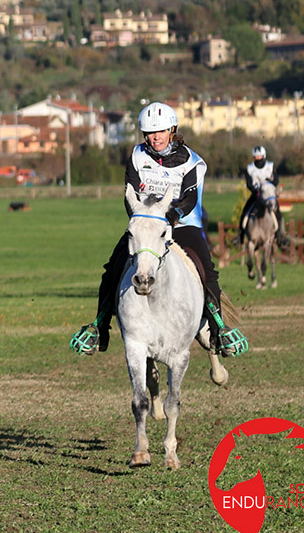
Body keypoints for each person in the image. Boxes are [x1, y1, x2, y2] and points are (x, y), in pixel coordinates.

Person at [69, 101, 248, 358]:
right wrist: (143, 222)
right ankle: (100, 328)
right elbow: (129, 194)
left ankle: (219, 330)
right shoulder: (137, 156)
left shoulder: (193, 162)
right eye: (151, 133)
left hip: (183, 224)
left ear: (172, 130)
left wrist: (168, 217)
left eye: (161, 132)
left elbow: (188, 199)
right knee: (112, 269)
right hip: (146, 225)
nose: (156, 138)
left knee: (206, 270)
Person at [233, 146, 289, 248]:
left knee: (278, 214)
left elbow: (276, 180)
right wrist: (255, 189)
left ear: (264, 156)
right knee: (245, 212)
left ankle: (281, 237)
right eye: (256, 156)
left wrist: (270, 183)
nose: (258, 158)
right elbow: (249, 183)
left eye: (260, 156)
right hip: (256, 195)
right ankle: (239, 238)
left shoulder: (270, 166)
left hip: (268, 195)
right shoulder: (249, 168)